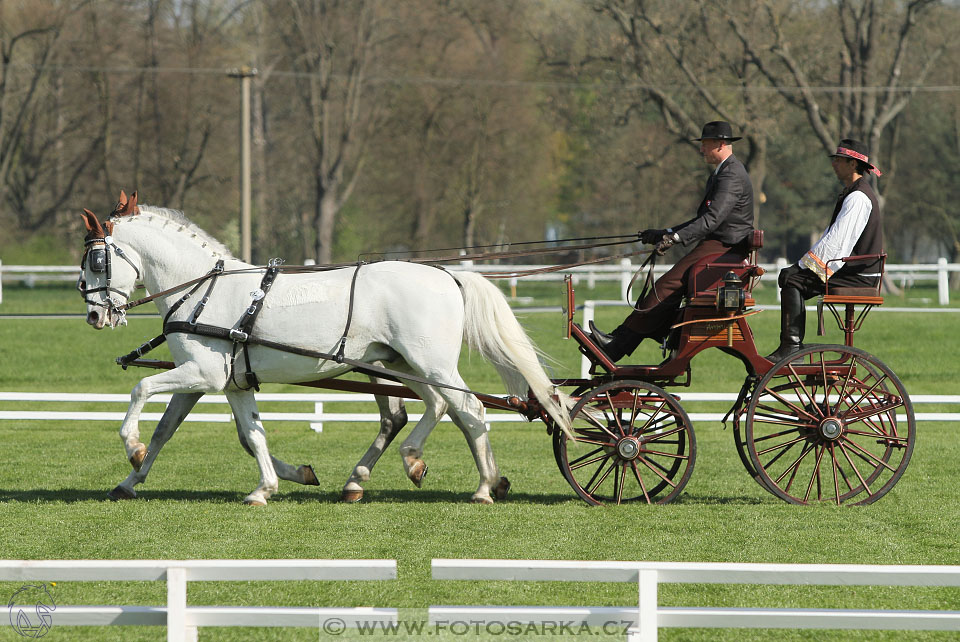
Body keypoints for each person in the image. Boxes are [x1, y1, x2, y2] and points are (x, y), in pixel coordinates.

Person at [590, 121, 755, 361]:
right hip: (717, 245)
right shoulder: (724, 172)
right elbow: (703, 219)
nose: (701, 150)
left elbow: (711, 220)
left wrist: (675, 238)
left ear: (720, 144)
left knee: (665, 287)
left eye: (705, 145)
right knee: (666, 288)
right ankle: (630, 338)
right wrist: (664, 232)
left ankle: (617, 344)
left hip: (723, 249)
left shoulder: (731, 174)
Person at [766, 138, 883, 362]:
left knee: (792, 280)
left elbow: (838, 242)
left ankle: (791, 347)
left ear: (852, 164)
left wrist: (800, 268)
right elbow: (831, 239)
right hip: (855, 271)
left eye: (839, 160)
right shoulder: (853, 193)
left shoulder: (858, 197)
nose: (834, 164)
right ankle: (792, 345)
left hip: (859, 275)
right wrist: (801, 266)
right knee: (792, 276)